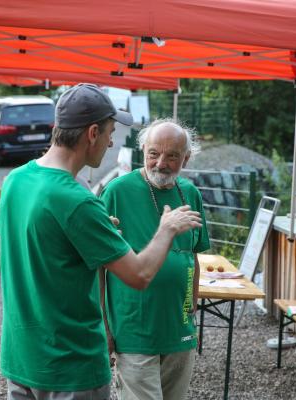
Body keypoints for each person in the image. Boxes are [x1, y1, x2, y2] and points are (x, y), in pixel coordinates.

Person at [0, 83, 202, 400]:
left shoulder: (15, 180)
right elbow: (139, 274)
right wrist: (167, 229)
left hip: (22, 359)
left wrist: (89, 230)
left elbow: (40, 244)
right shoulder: (78, 201)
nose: (110, 143)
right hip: (70, 366)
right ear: (92, 133)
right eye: (109, 133)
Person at [100, 118, 210, 400]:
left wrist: (192, 305)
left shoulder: (192, 194)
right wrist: (104, 327)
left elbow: (192, 256)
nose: (161, 163)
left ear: (186, 158)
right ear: (143, 152)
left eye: (172, 156)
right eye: (154, 153)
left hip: (179, 330)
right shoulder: (116, 192)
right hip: (134, 330)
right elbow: (99, 267)